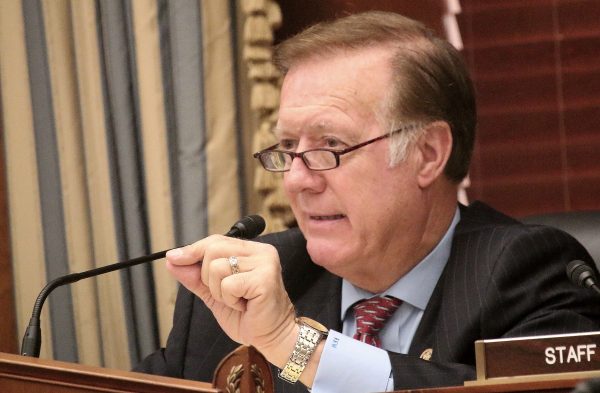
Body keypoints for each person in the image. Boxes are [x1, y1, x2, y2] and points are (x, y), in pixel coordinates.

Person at [135, 11, 600, 392]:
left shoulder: (527, 272)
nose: (297, 179)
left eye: (329, 147)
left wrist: (292, 344)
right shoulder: (241, 289)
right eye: (288, 148)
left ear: (427, 154)